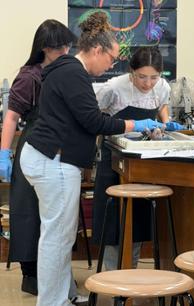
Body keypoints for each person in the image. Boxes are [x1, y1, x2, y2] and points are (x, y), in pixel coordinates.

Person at [18, 11, 164, 306]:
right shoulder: (74, 73)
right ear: (97, 50)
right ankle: (51, 302)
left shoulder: (67, 70)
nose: (111, 65)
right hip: (54, 162)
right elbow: (94, 122)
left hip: (49, 159)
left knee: (59, 235)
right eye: (111, 58)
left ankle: (62, 296)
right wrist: (137, 125)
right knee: (57, 238)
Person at [0, 19, 87, 303]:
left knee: (56, 228)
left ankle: (62, 291)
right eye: (60, 47)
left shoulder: (60, 70)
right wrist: (4, 153)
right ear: (45, 48)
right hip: (37, 148)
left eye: (67, 46)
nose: (66, 51)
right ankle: (40, 284)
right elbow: (12, 116)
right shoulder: (30, 76)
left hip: (54, 149)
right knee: (35, 223)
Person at [92, 46, 182, 270]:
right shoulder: (113, 88)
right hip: (113, 159)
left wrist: (165, 122)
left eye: (154, 77)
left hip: (142, 161)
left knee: (138, 219)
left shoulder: (161, 87)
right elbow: (94, 118)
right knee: (114, 221)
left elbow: (161, 106)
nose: (148, 83)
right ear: (131, 71)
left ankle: (131, 273)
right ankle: (112, 277)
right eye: (142, 77)